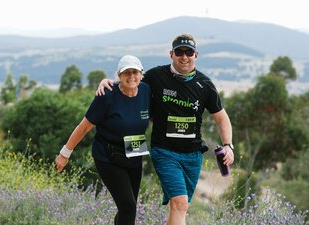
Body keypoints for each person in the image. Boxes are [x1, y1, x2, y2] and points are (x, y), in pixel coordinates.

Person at [96, 34, 234, 225]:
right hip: (165, 151)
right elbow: (130, 81)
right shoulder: (156, 76)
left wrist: (228, 145)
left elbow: (221, 118)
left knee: (180, 207)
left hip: (193, 155)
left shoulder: (205, 85)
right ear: (171, 54)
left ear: (196, 55)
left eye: (189, 52)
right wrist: (107, 82)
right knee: (180, 204)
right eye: (179, 52)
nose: (184, 56)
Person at [55, 55, 150, 225]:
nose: (131, 77)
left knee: (128, 207)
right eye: (126, 73)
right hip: (108, 155)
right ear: (118, 76)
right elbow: (84, 127)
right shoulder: (106, 94)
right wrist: (65, 153)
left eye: (135, 72)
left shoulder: (146, 91)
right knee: (128, 206)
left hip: (135, 153)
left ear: (141, 73)